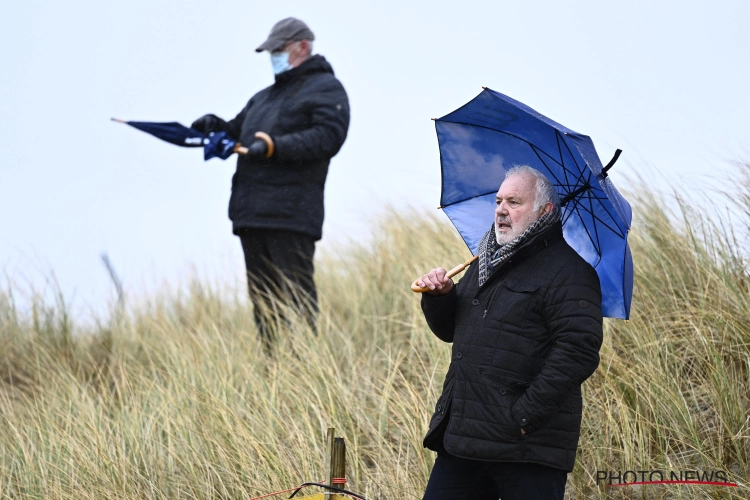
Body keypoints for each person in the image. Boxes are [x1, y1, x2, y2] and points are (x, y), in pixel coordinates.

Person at [416, 165, 603, 500]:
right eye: (499, 200)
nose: (501, 209)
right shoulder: (484, 262)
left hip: (528, 447)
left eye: (514, 202)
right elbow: (451, 331)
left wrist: (522, 417)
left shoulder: (571, 272)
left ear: (545, 210)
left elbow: (579, 351)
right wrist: (440, 297)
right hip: (464, 437)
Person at [190, 18, 350, 347]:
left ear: (302, 46)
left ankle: (308, 369)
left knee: (296, 299)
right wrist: (214, 125)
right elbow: (238, 130)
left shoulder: (327, 89)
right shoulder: (263, 98)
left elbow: (328, 137)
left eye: (278, 49)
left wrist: (276, 146)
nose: (273, 56)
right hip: (250, 214)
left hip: (291, 215)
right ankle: (274, 371)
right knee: (263, 304)